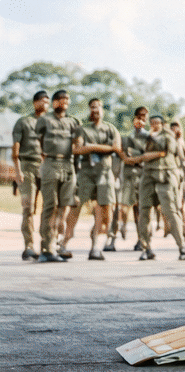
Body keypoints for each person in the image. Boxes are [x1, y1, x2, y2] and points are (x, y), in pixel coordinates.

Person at [130, 115, 185, 261]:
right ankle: (146, 248)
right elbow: (134, 154)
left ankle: (183, 247)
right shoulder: (144, 135)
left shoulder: (167, 135)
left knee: (171, 211)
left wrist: (146, 153)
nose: (154, 125)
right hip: (148, 176)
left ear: (162, 124)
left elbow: (166, 150)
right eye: (151, 123)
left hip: (165, 176)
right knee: (144, 212)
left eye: (157, 123)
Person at [33, 90, 83, 262]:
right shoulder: (44, 121)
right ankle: (46, 248)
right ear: (54, 103)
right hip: (51, 163)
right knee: (50, 206)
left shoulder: (73, 122)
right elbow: (37, 143)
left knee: (64, 207)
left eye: (67, 99)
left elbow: (78, 145)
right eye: (60, 99)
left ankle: (57, 244)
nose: (64, 102)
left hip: (68, 165)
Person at [72, 98, 121, 260]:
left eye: (99, 107)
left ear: (103, 110)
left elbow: (116, 148)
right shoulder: (82, 129)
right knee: (75, 206)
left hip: (105, 174)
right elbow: (77, 149)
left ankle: (95, 247)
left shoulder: (111, 129)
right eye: (93, 107)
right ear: (89, 110)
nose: (96, 110)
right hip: (86, 173)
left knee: (106, 212)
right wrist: (102, 148)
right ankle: (62, 242)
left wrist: (91, 146)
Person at [11, 90, 48, 260]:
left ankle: (48, 245)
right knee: (28, 208)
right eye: (42, 101)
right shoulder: (24, 122)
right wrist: (18, 172)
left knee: (49, 207)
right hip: (27, 166)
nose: (45, 104)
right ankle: (29, 245)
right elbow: (15, 150)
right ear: (35, 103)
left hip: (46, 167)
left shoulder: (51, 123)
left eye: (48, 101)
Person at [115, 107, 149, 248]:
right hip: (130, 175)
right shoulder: (128, 137)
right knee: (129, 207)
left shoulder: (149, 137)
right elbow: (125, 154)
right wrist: (136, 156)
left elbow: (147, 155)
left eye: (144, 117)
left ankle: (143, 239)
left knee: (143, 209)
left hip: (144, 174)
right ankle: (128, 229)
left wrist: (136, 156)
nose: (141, 120)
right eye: (139, 117)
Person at [171, 121, 185, 237]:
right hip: (176, 176)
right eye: (172, 128)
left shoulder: (180, 142)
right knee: (180, 204)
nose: (174, 130)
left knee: (184, 203)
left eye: (176, 127)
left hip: (183, 177)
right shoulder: (172, 142)